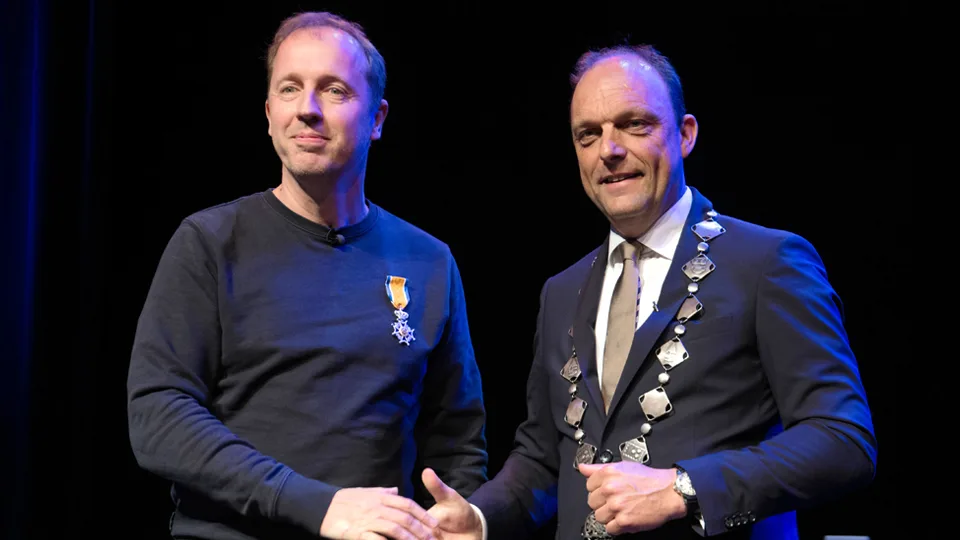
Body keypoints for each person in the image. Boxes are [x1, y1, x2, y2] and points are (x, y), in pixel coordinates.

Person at [420, 43, 877, 539]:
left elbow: (842, 440)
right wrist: (480, 517)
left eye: (634, 124)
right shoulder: (561, 291)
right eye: (588, 135)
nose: (609, 150)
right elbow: (544, 459)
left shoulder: (766, 262)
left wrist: (684, 488)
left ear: (685, 134)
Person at [126, 11, 487, 540]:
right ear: (269, 113)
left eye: (334, 90)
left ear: (378, 118)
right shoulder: (209, 243)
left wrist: (455, 514)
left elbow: (456, 440)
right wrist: (317, 506)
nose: (307, 109)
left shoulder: (428, 261)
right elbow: (158, 416)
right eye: (289, 89)